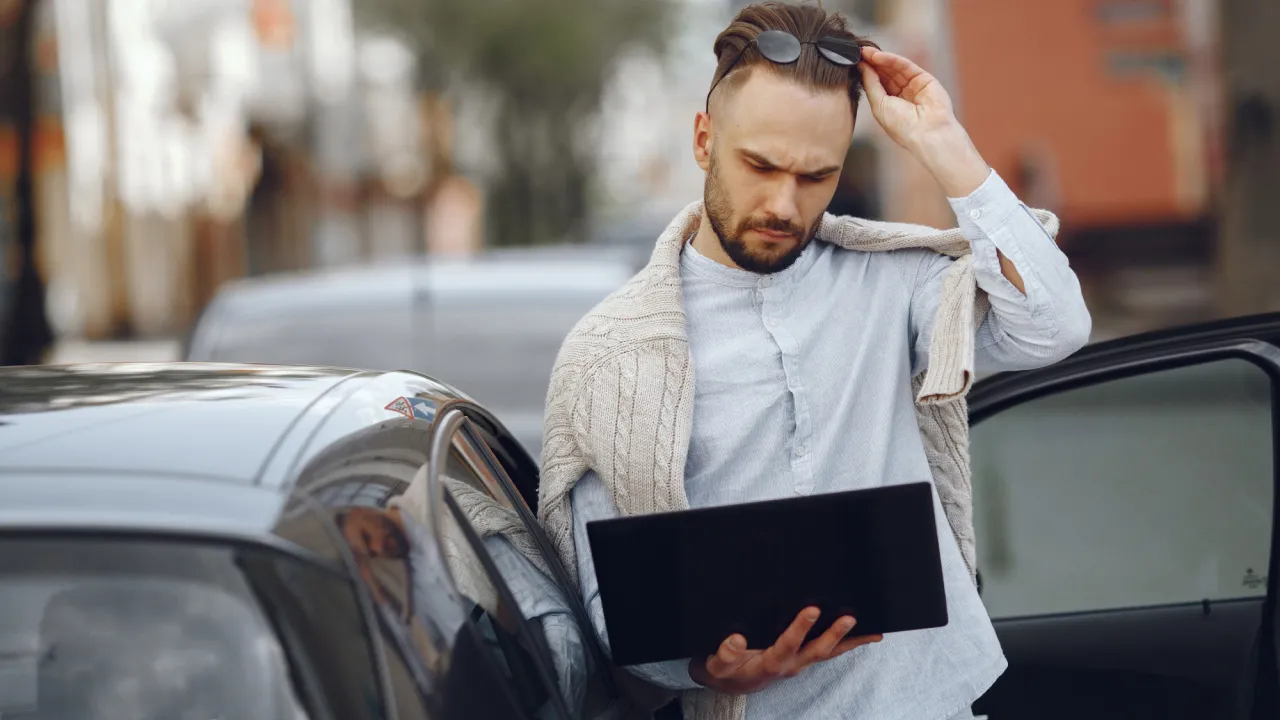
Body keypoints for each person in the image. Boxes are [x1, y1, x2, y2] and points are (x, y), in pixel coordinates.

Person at [537, 2, 1092, 720]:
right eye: (759, 165)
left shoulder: (895, 283)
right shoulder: (609, 357)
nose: (782, 203)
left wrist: (945, 146)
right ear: (704, 140)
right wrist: (704, 666)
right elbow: (600, 603)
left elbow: (1055, 326)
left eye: (815, 176)